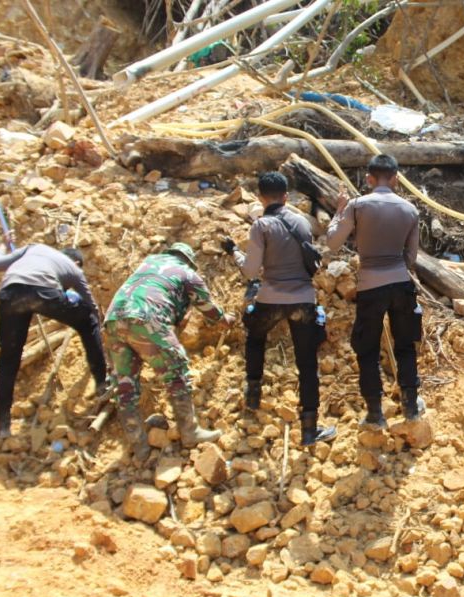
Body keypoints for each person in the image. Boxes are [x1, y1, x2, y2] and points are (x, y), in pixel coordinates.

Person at [223, 171, 336, 446]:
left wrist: (234, 252)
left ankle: (253, 395)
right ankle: (309, 430)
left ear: (260, 197)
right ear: (286, 197)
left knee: (255, 338)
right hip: (303, 300)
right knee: (307, 363)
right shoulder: (302, 222)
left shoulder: (261, 226)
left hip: (270, 298)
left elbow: (251, 271)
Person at [105, 243, 233, 460]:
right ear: (189, 261)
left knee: (125, 384)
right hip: (146, 318)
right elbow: (208, 308)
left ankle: (139, 446)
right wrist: (224, 319)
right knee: (176, 369)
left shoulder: (149, 262)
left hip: (114, 319)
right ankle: (190, 432)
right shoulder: (187, 273)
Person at [327, 154, 423, 426]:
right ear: (396, 179)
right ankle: (411, 407)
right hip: (401, 284)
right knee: (405, 345)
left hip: (370, 286)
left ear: (369, 179)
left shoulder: (357, 206)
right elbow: (411, 257)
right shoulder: (410, 210)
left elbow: (332, 243)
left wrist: (339, 210)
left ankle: (374, 413)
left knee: (367, 349)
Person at [0, 242, 107, 440]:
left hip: (10, 295)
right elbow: (90, 304)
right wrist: (99, 325)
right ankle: (102, 383)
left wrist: (0, 246)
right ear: (76, 262)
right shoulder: (74, 270)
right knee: (88, 322)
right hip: (44, 293)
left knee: (8, 359)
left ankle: (3, 423)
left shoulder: (32, 248)